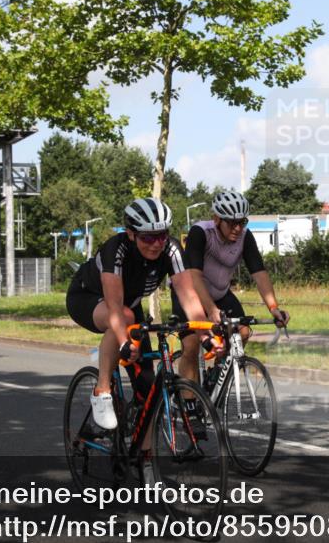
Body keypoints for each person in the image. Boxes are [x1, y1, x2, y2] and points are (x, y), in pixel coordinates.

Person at [65, 198, 220, 477]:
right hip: (88, 298)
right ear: (131, 234)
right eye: (148, 237)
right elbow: (115, 308)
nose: (157, 243)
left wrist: (206, 334)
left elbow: (189, 298)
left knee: (148, 389)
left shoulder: (172, 249)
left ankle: (145, 460)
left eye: (162, 235)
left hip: (129, 306)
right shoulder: (116, 249)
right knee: (124, 318)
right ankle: (102, 391)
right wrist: (125, 343)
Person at [172, 190, 290, 384]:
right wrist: (211, 309)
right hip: (189, 294)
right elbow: (194, 276)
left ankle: (217, 373)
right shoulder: (200, 232)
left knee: (242, 332)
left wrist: (274, 308)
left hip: (220, 293)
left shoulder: (245, 237)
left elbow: (259, 273)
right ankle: (190, 401)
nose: (238, 228)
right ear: (217, 219)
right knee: (192, 345)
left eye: (242, 222)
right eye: (232, 223)